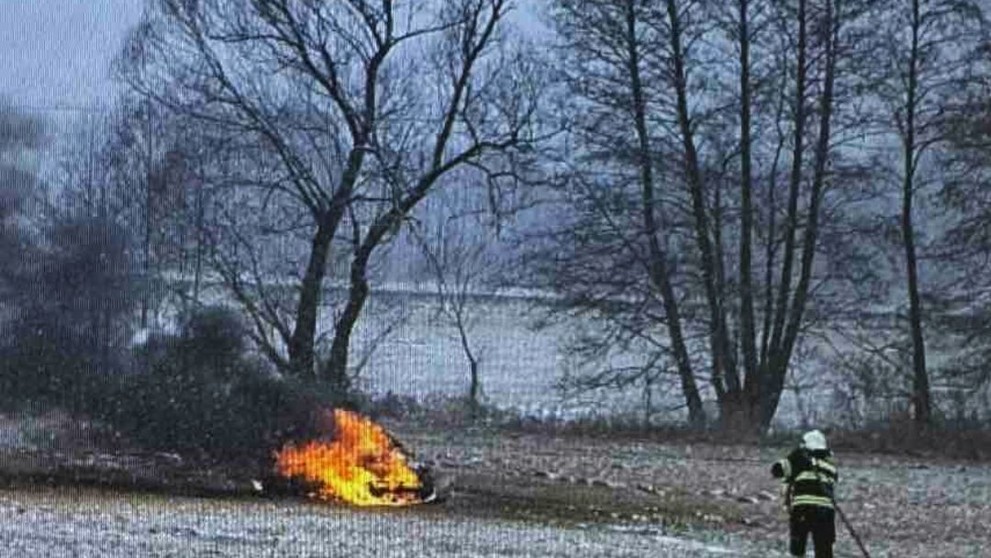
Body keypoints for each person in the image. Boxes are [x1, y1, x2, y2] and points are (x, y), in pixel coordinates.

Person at [771, 429, 838, 558]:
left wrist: (792, 457)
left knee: (798, 546)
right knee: (824, 549)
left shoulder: (798, 459)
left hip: (802, 508)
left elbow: (776, 470)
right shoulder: (830, 466)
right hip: (826, 512)